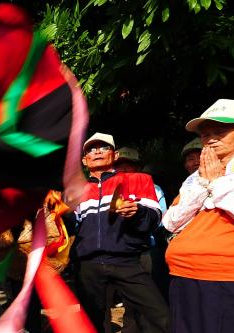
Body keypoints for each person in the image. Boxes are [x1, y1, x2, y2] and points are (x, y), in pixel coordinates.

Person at [163, 99, 234, 333]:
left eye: (221, 131)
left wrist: (217, 182)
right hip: (184, 271)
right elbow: (170, 221)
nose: (211, 138)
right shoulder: (195, 177)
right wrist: (204, 182)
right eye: (205, 134)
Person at [70, 132, 169, 333]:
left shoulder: (139, 179)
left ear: (114, 155)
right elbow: (71, 227)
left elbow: (155, 219)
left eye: (103, 147)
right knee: (91, 322)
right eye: (91, 149)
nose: (97, 151)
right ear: (84, 159)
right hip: (88, 265)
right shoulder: (74, 190)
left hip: (127, 261)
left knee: (160, 316)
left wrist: (138, 212)